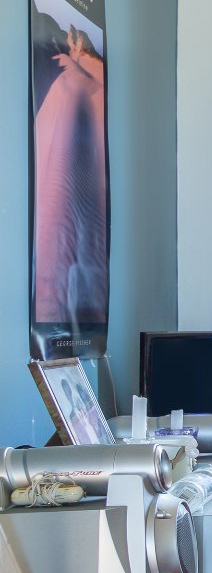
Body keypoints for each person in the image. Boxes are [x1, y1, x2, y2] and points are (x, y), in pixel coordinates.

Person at [32, 23, 109, 338]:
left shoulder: (71, 84)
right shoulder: (100, 87)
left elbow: (55, 189)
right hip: (91, 280)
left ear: (76, 43)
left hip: (64, 274)